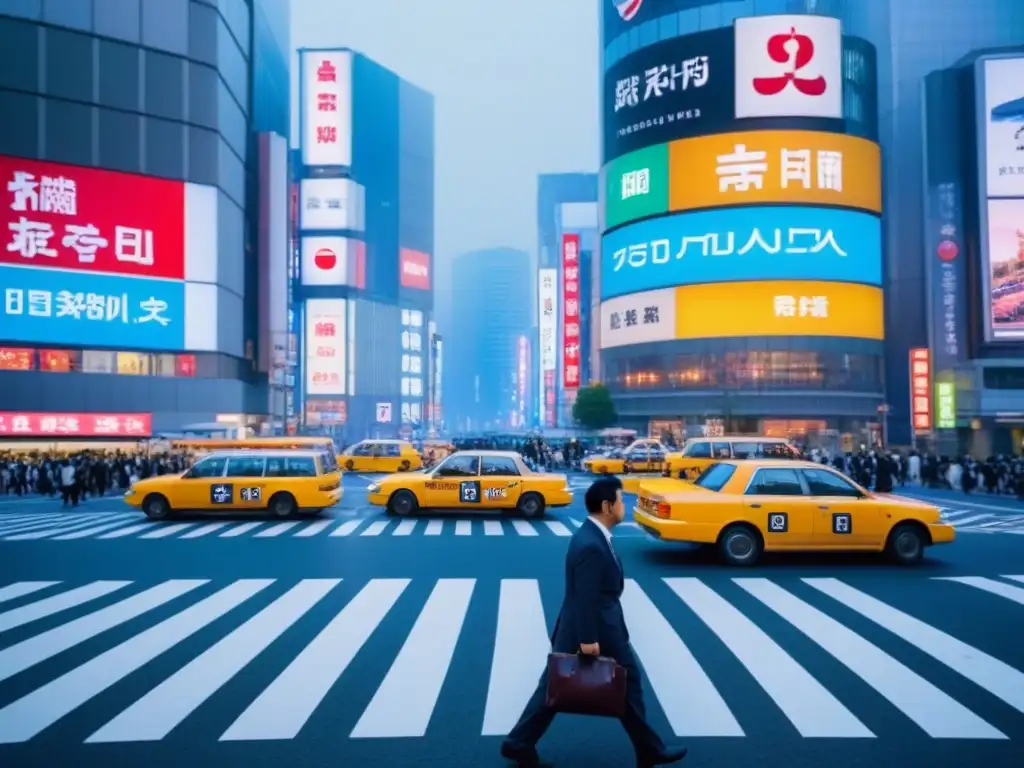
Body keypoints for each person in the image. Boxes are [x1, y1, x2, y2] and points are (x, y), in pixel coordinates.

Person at [500, 476, 688, 768]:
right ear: (607, 506)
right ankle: (649, 750)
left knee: (559, 686)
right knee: (599, 683)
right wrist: (588, 639)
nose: (624, 505)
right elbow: (584, 596)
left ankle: (518, 743)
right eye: (620, 500)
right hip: (594, 627)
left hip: (591, 625)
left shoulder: (593, 536)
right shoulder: (591, 544)